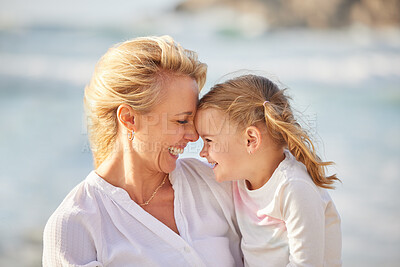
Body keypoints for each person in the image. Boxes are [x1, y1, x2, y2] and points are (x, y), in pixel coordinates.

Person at [42, 36, 243, 267]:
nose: (194, 135)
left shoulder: (216, 182)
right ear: (129, 118)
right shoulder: (75, 226)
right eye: (180, 121)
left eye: (192, 120)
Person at [195, 74, 342, 266]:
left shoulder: (294, 188)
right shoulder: (240, 178)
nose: (202, 152)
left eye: (209, 141)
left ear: (251, 140)